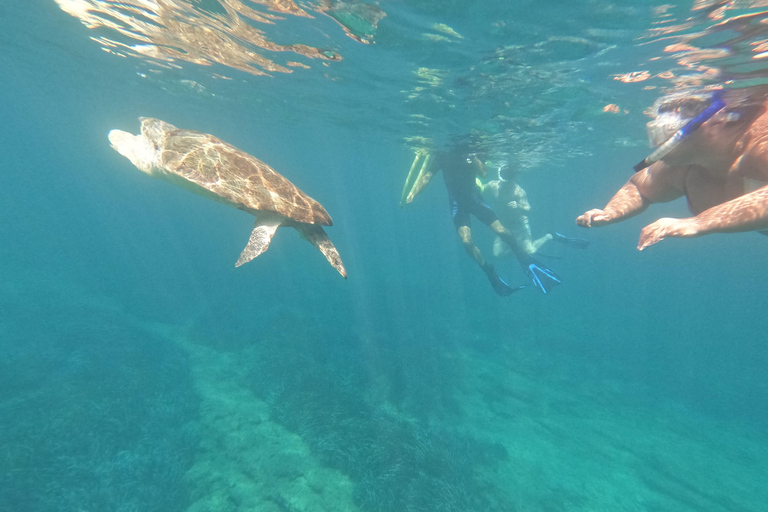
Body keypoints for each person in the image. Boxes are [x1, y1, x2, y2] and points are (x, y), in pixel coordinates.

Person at [576, 87, 768, 249]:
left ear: (720, 118)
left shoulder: (760, 138)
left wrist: (699, 222)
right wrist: (610, 213)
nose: (659, 143)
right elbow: (640, 188)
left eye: (670, 133)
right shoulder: (684, 166)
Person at [402, 140, 562, 295]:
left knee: (501, 231)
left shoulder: (471, 153)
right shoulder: (442, 156)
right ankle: (488, 269)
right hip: (458, 205)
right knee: (466, 241)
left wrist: (475, 158)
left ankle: (521, 254)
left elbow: (484, 174)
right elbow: (427, 176)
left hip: (475, 201)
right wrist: (413, 194)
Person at [482, 164, 588, 258]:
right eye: (503, 181)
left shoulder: (519, 192)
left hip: (519, 225)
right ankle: (518, 248)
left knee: (531, 250)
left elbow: (529, 211)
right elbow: (482, 189)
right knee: (497, 254)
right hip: (503, 225)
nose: (506, 184)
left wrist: (518, 206)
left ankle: (549, 236)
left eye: (508, 182)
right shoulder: (492, 185)